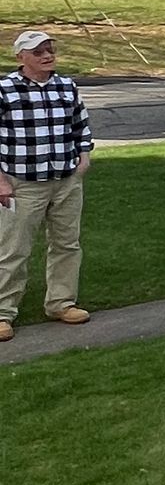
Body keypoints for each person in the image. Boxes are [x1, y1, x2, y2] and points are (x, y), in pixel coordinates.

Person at [0, 29, 93, 341]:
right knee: (13, 249)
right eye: (38, 51)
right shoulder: (5, 89)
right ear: (21, 57)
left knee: (67, 244)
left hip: (66, 181)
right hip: (22, 184)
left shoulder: (66, 86)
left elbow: (80, 124)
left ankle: (61, 303)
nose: (46, 56)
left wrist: (84, 157)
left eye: (50, 49)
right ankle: (2, 313)